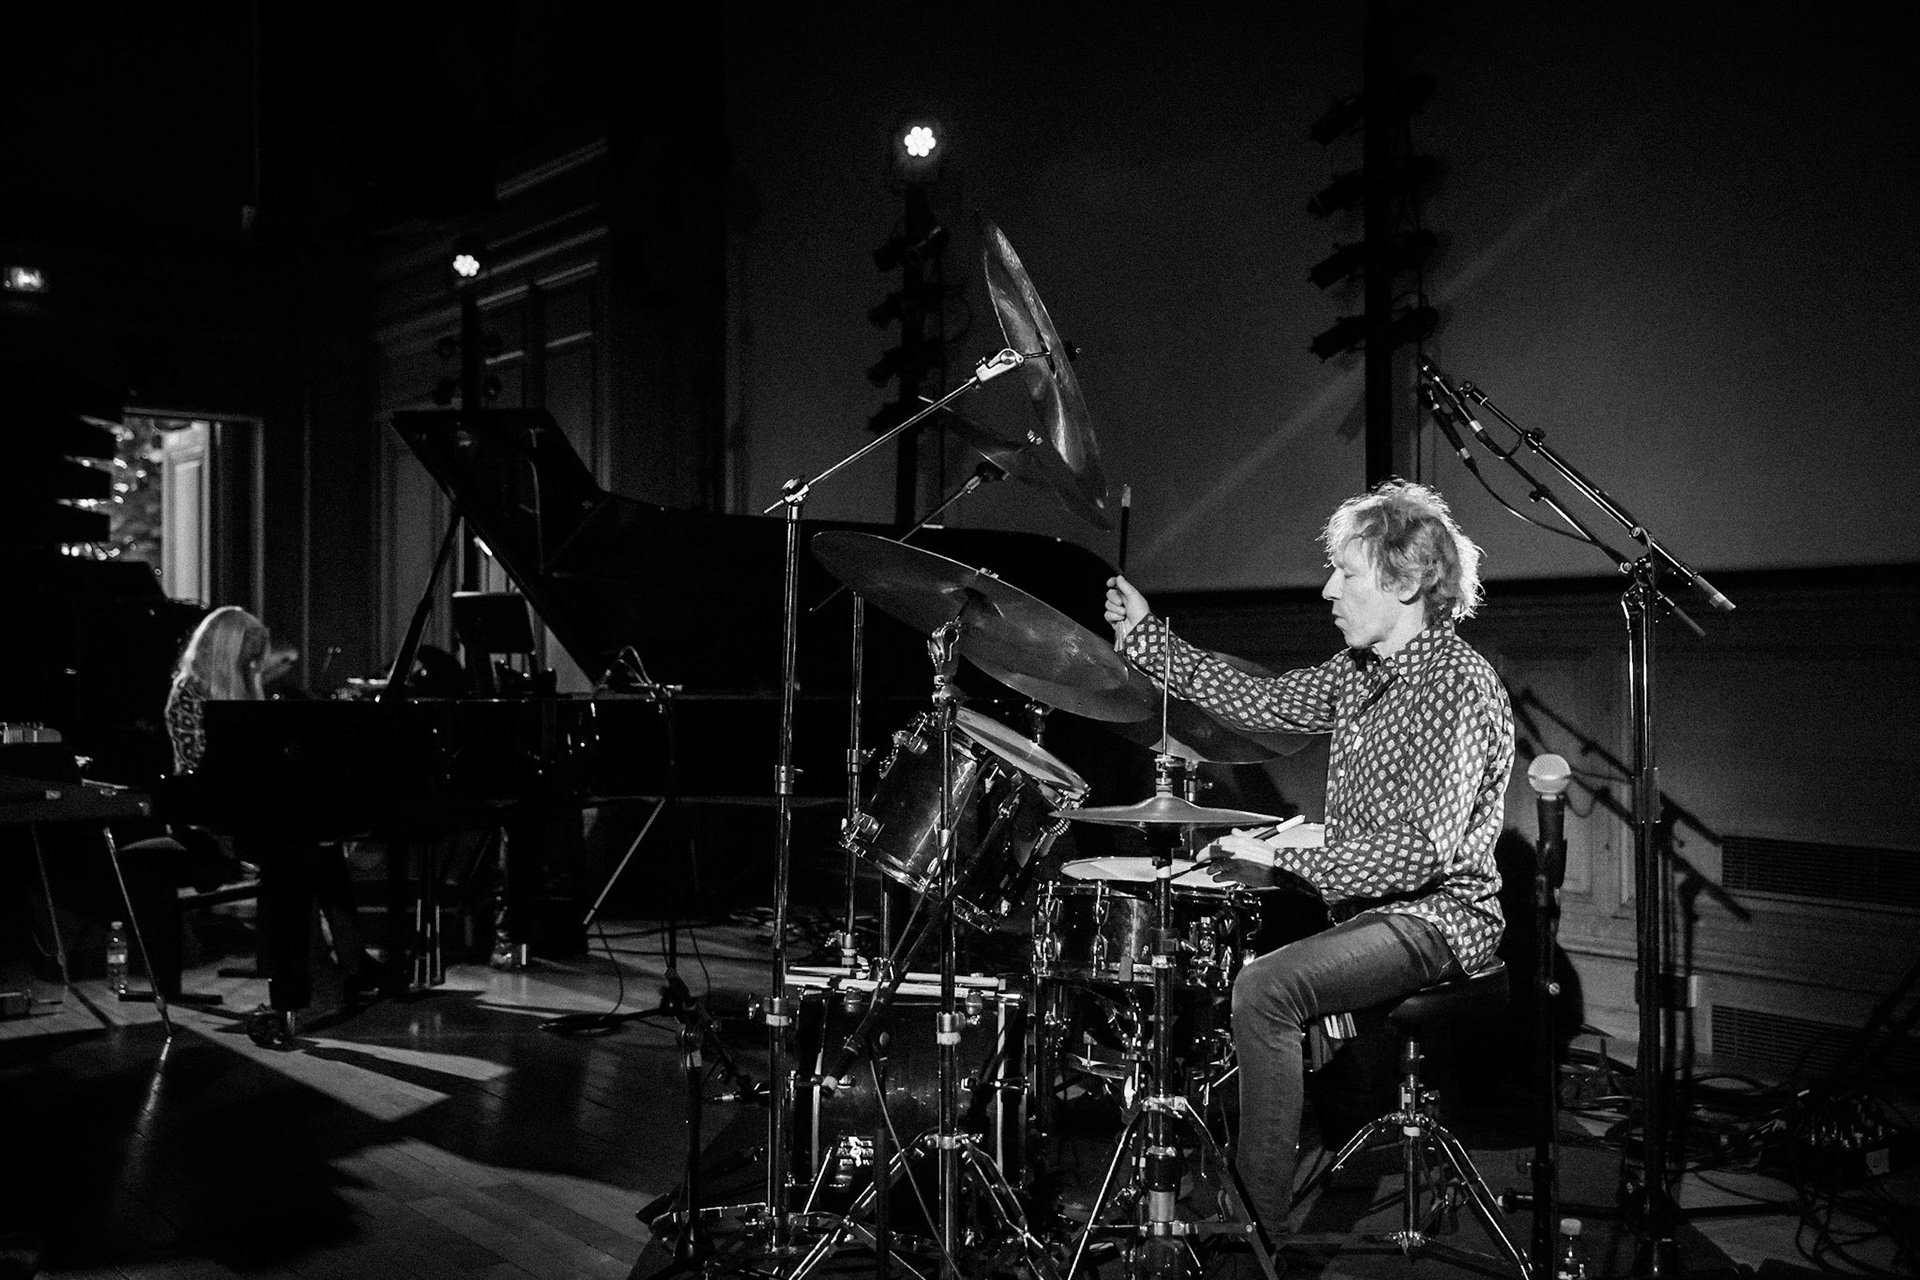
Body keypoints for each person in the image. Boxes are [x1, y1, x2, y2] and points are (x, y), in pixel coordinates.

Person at [1103, 479, 1514, 1242]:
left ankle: (1255, 1219)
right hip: (1374, 907)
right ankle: (1309, 1144)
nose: (1328, 590)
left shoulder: (1455, 684)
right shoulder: (1360, 675)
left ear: (1407, 580)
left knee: (1264, 989)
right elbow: (1268, 703)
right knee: (1256, 954)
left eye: (1347, 574)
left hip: (1440, 917)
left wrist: (1289, 861)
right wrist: (1146, 639)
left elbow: (1420, 848)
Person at [167, 606, 378, 1048]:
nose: (255, 664)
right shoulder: (187, 693)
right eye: (249, 655)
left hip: (250, 808)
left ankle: (340, 968)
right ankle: (315, 979)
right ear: (227, 650)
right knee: (299, 851)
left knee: (319, 843)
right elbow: (196, 770)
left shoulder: (246, 688)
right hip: (207, 817)